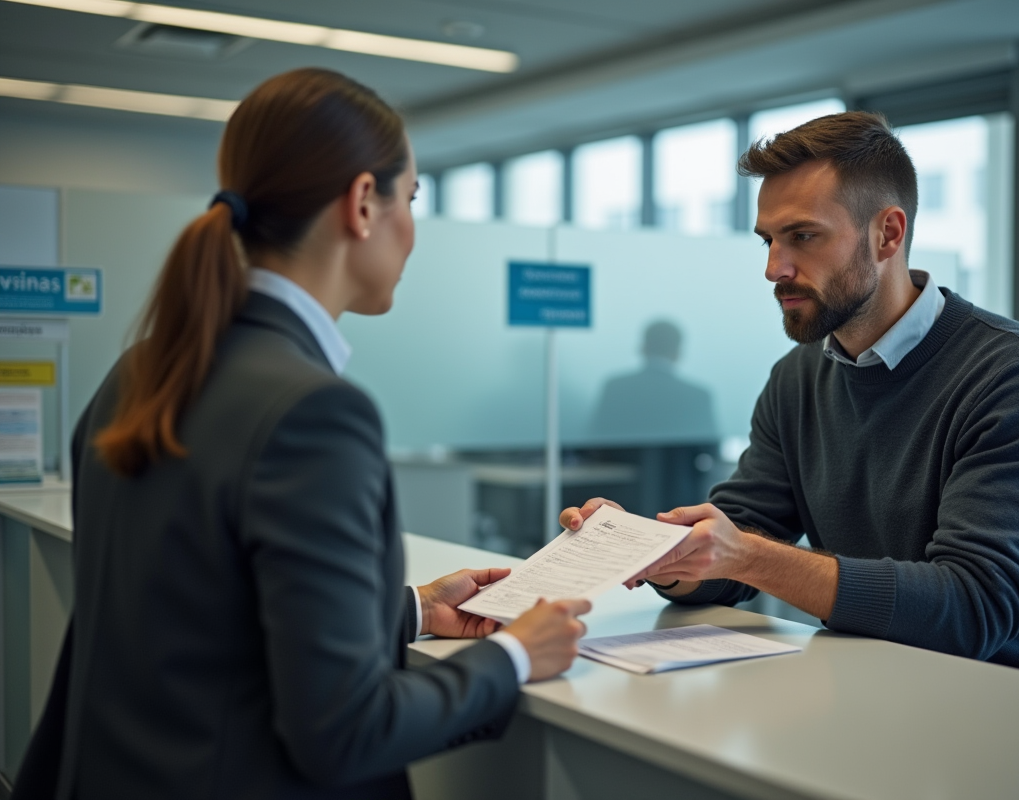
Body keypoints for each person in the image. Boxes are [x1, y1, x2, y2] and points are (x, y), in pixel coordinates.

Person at [16, 69, 589, 800]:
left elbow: (198, 614)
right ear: (360, 204)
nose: (413, 230)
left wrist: (412, 610)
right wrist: (512, 655)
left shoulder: (139, 373)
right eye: (409, 199)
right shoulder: (314, 413)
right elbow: (345, 732)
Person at [562, 111, 1019, 683]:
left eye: (803, 236)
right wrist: (659, 554)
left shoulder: (1017, 375)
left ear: (887, 234)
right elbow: (745, 534)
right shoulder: (798, 377)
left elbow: (972, 608)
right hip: (872, 682)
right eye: (769, 240)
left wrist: (744, 553)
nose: (775, 268)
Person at [589, 319, 717, 443]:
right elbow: (708, 448)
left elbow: (594, 438)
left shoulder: (615, 388)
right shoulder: (698, 395)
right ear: (678, 352)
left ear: (642, 348)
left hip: (621, 464)